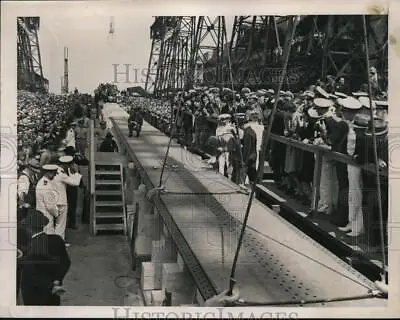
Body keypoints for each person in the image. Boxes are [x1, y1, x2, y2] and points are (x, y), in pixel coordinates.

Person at [20, 210, 71, 306]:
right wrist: (57, 280)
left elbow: (32, 274)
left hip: (34, 297)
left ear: (29, 228)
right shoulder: (56, 240)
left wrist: (51, 287)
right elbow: (66, 262)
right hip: (53, 295)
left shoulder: (30, 248)